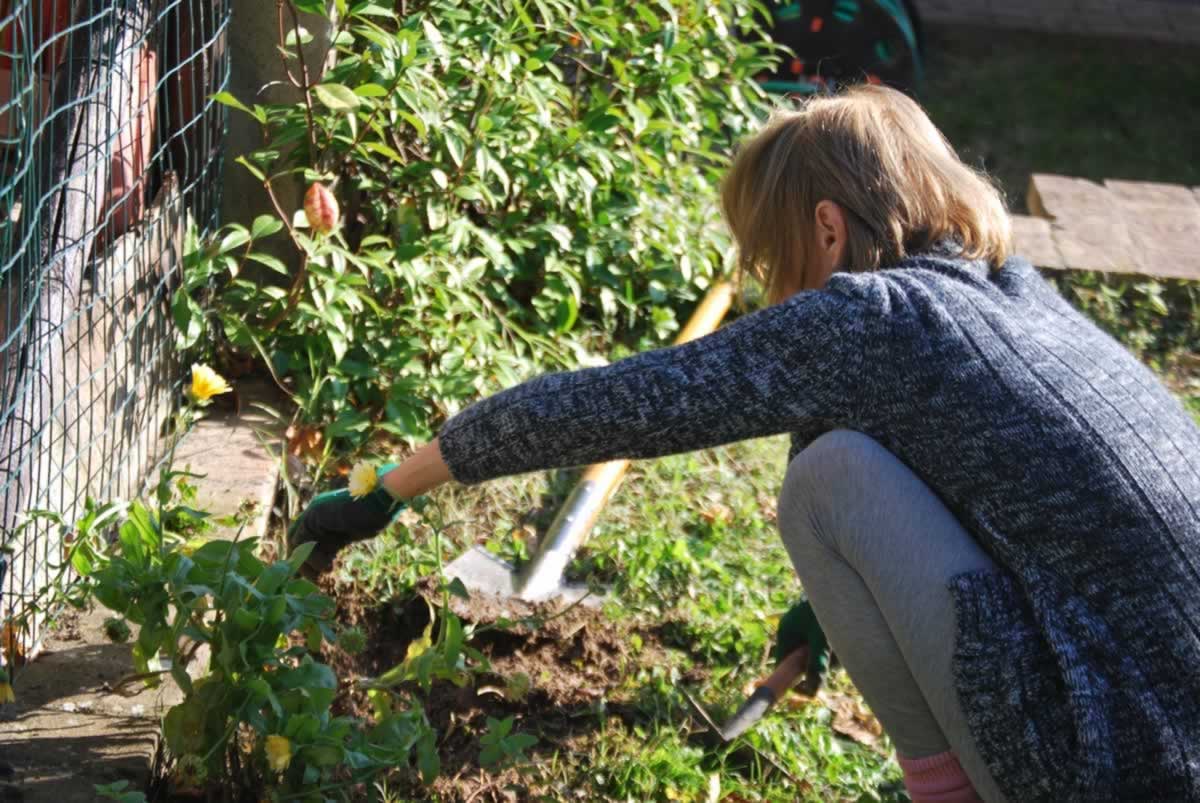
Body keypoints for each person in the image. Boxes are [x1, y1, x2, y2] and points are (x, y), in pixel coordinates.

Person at [289, 84, 1200, 803]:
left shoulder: (873, 317)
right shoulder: (1008, 288)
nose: (771, 287)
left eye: (771, 261)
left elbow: (615, 407)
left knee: (825, 481)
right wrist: (844, 614)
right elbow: (977, 468)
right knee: (839, 457)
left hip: (1117, 764)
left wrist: (391, 485)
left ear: (827, 230)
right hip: (1170, 732)